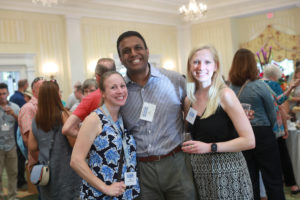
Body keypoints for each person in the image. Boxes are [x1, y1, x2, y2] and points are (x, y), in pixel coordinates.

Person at [117, 31, 197, 200]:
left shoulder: (175, 80)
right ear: (121, 58)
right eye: (126, 51)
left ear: (147, 51)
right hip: (141, 170)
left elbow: (197, 110)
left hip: (176, 163)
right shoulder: (119, 90)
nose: (133, 53)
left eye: (138, 48)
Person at [182, 45, 255, 199]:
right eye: (196, 62)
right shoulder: (189, 100)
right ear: (189, 65)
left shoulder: (225, 95)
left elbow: (249, 141)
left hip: (229, 172)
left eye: (207, 62)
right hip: (201, 173)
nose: (201, 67)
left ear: (216, 66)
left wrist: (210, 147)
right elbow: (189, 133)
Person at [71, 71, 140, 199]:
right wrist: (105, 187)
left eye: (122, 86)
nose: (120, 91)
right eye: (113, 87)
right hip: (100, 194)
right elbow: (76, 160)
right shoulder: (94, 119)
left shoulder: (122, 118)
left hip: (125, 193)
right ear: (103, 93)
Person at [229, 48, 285, 200]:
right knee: (273, 179)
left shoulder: (229, 89)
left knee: (249, 179)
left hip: (240, 136)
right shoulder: (260, 86)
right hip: (263, 133)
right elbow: (272, 113)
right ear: (253, 64)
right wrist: (267, 127)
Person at [28, 81, 81, 200]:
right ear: (57, 95)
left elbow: (32, 147)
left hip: (46, 173)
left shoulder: (36, 118)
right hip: (66, 171)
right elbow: (74, 143)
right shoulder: (64, 115)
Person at [262, 64, 300, 196]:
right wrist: (285, 127)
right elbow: (281, 107)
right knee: (283, 155)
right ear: (275, 76)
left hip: (263, 128)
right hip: (275, 127)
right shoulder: (275, 86)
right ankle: (292, 185)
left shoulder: (258, 85)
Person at [62, 58, 116, 137]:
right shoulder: (124, 92)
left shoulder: (91, 98)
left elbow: (67, 128)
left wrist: (91, 139)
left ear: (97, 76)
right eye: (85, 91)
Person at [18, 77, 44, 171]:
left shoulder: (45, 106)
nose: (45, 91)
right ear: (33, 92)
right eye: (41, 88)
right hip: (40, 163)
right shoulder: (28, 108)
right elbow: (29, 140)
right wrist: (42, 162)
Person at [0, 83, 20, 200]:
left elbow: (22, 122)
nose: (2, 96)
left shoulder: (15, 107)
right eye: (0, 94)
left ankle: (12, 196)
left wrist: (13, 114)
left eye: (4, 93)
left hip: (11, 145)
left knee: (13, 172)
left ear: (8, 94)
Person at [9, 79, 29, 188]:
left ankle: (19, 180)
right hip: (19, 131)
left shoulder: (13, 97)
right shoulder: (19, 98)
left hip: (14, 131)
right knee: (20, 158)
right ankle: (20, 181)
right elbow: (23, 117)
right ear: (25, 85)